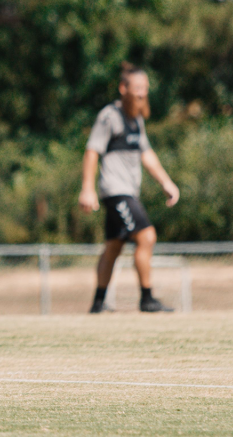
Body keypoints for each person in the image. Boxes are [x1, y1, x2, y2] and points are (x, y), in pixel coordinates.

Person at [78, 63, 180, 313]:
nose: (142, 93)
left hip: (128, 191)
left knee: (113, 246)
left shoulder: (136, 119)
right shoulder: (109, 116)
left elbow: (146, 154)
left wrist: (166, 182)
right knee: (147, 236)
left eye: (145, 88)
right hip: (115, 190)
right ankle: (147, 298)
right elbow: (92, 151)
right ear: (123, 88)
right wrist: (87, 188)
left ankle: (98, 303)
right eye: (137, 88)